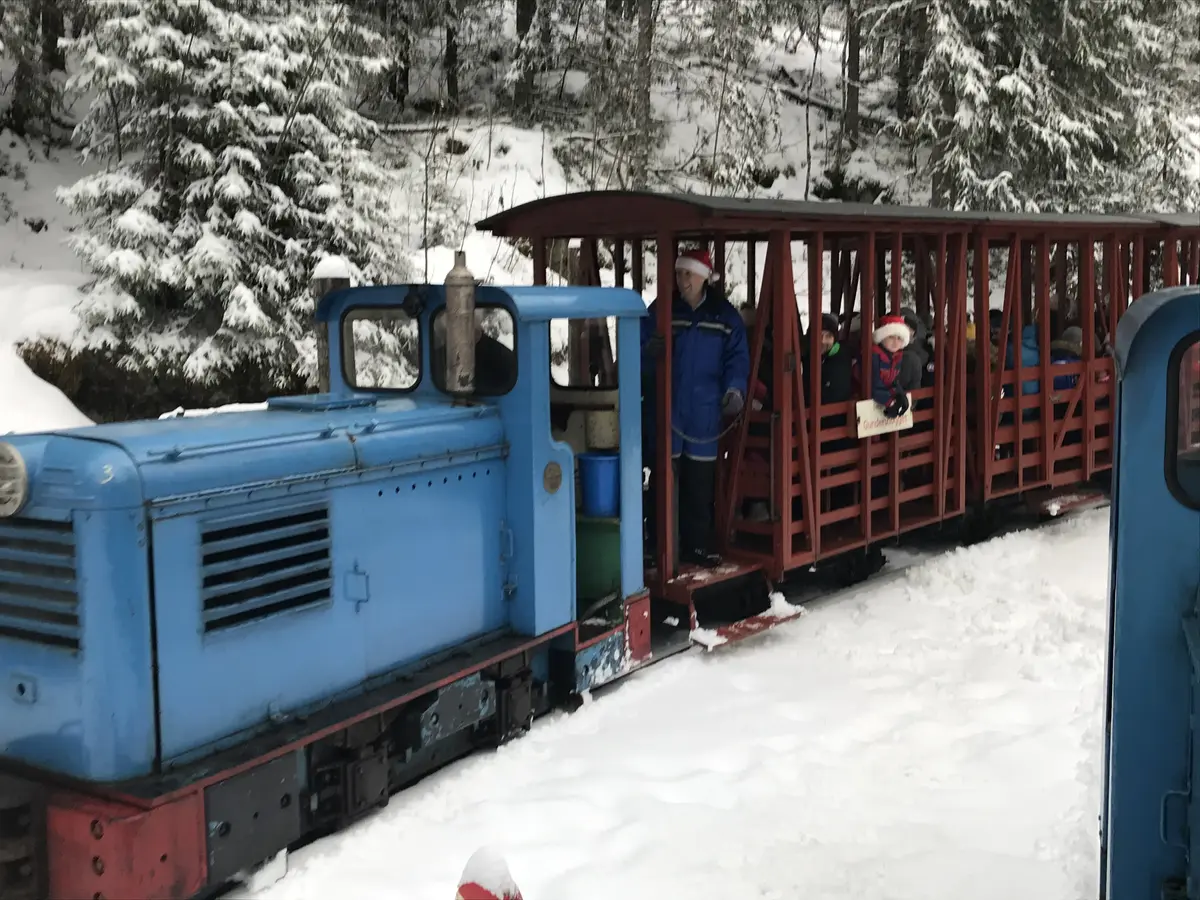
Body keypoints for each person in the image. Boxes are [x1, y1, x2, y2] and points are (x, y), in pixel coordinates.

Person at [641, 248, 750, 567]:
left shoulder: (724, 315)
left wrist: (735, 390)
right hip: (669, 405)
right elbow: (638, 347)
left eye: (688, 274)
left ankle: (698, 546)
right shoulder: (662, 309)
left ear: (704, 277)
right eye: (679, 273)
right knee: (663, 479)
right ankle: (659, 545)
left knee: (699, 482)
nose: (682, 279)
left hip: (704, 409)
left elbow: (737, 358)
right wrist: (649, 351)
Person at [871, 314, 910, 419]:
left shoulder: (897, 357)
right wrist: (890, 401)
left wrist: (900, 394)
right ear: (882, 338)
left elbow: (894, 381)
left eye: (899, 338)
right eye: (891, 337)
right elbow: (873, 386)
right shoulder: (874, 356)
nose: (895, 342)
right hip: (868, 407)